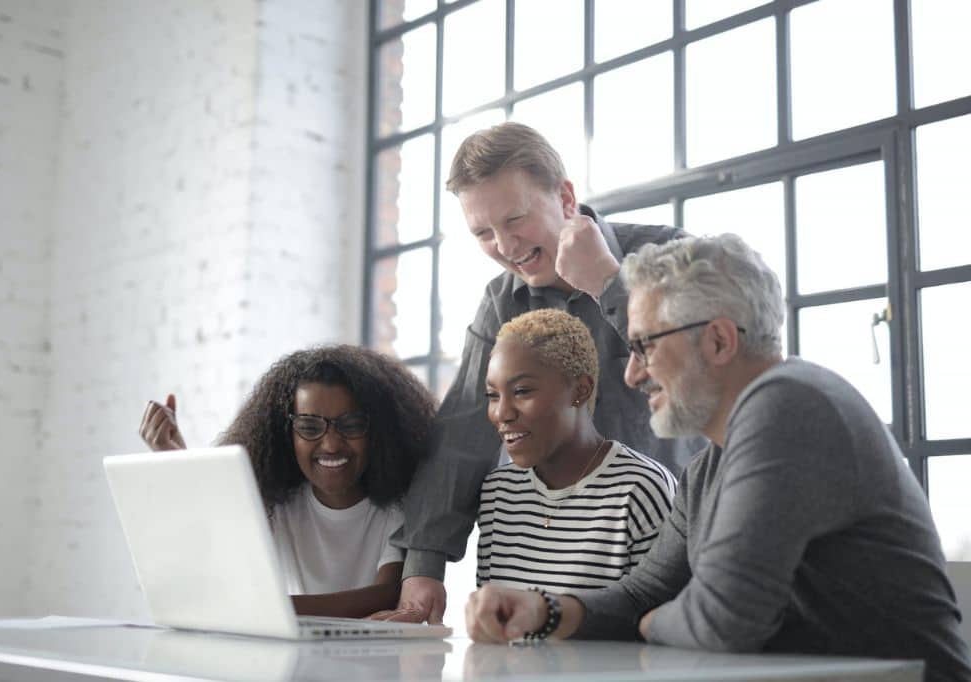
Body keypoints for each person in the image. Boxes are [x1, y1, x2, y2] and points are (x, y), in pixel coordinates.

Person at [465, 234, 971, 682]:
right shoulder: (708, 466)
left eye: (644, 346)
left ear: (719, 340)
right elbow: (643, 593)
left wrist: (652, 622)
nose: (633, 374)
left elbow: (721, 621)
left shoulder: (790, 405)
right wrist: (545, 610)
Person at [382, 122, 704, 623]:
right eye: (482, 232)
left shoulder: (669, 256)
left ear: (566, 196)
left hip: (675, 557)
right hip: (556, 566)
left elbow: (701, 370)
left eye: (515, 219)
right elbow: (462, 436)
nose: (504, 244)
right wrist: (424, 565)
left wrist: (607, 282)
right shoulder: (499, 301)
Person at [138, 345, 437, 619]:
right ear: (286, 435)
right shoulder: (271, 504)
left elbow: (386, 595)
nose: (331, 444)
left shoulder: (397, 506)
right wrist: (174, 460)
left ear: (378, 431)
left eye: (351, 425)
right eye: (309, 427)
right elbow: (207, 557)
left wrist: (267, 609)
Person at [477, 309, 676, 591]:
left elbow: (661, 622)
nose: (502, 413)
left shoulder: (641, 490)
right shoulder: (498, 492)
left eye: (522, 391)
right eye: (493, 396)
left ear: (581, 390)